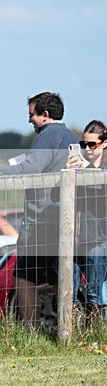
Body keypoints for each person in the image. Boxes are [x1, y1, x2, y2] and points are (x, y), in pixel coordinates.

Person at [0, 92, 78, 324]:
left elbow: (27, 170)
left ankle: (31, 332)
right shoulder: (72, 137)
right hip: (65, 221)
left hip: (41, 224)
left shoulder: (46, 136)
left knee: (24, 277)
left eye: (31, 115)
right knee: (63, 279)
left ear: (45, 114)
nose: (29, 120)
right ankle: (68, 330)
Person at [66, 119, 107, 321]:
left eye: (92, 144)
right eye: (84, 144)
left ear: (104, 143)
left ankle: (97, 332)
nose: (87, 149)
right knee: (69, 295)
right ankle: (70, 334)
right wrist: (68, 174)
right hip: (74, 239)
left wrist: (88, 169)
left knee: (94, 294)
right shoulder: (78, 168)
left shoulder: (103, 169)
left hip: (97, 239)